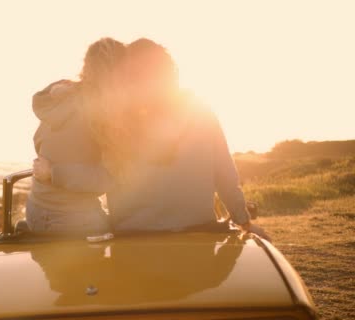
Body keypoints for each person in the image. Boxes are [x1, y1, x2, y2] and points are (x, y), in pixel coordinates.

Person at [34, 38, 269, 240]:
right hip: (199, 231)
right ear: (169, 72)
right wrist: (244, 221)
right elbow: (225, 175)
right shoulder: (200, 111)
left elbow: (94, 170)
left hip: (131, 236)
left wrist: (55, 173)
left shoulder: (117, 120)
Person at [26, 38, 126, 234]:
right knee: (124, 241)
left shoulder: (60, 98)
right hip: (73, 219)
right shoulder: (105, 111)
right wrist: (54, 173)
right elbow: (105, 180)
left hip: (35, 210)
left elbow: (39, 140)